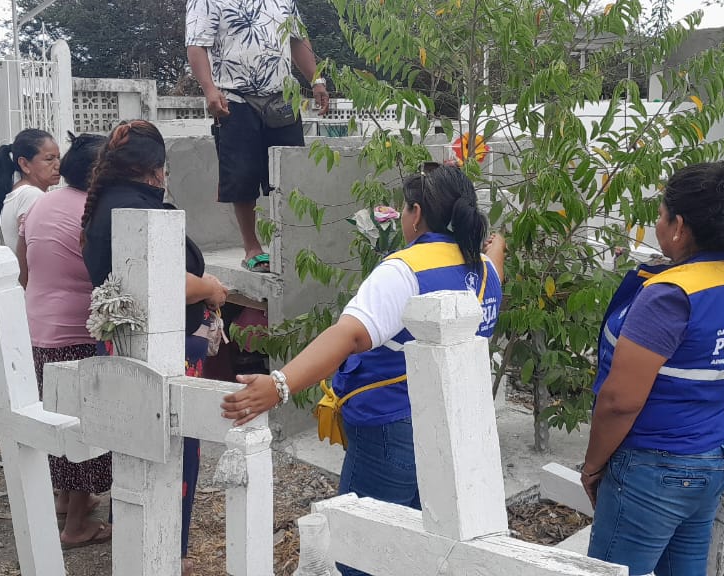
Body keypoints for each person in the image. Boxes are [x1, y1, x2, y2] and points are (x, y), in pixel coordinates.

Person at [220, 163, 505, 576]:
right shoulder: (483, 272)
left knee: (362, 548)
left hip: (391, 430)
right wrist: (498, 248)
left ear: (416, 214)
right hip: (452, 432)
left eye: (403, 208)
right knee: (424, 543)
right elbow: (495, 263)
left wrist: (280, 384)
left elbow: (350, 335)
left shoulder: (405, 271)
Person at [581, 161, 724, 576]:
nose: (657, 224)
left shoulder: (669, 296)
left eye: (661, 215)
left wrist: (592, 466)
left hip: (658, 467)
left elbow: (620, 401)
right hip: (715, 454)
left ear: (678, 227)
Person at [80, 120, 228, 572]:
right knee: (174, 451)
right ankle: (168, 553)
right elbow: (162, 281)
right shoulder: (140, 210)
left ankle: (135, 538)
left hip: (125, 345)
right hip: (162, 350)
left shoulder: (106, 203)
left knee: (133, 446)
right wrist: (209, 288)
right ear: (155, 168)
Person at [185, 0, 331, 273]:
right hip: (233, 98)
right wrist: (209, 90)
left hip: (282, 97)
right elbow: (196, 44)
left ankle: (288, 243)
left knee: (290, 173)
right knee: (241, 175)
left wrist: (317, 80)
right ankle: (252, 247)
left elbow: (297, 39)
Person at [20, 132, 111, 549]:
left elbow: (24, 264)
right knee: (83, 429)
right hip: (76, 331)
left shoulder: (42, 203)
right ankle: (75, 527)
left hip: (39, 326)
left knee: (57, 418)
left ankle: (64, 500)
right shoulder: (92, 211)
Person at [0, 128, 60, 265]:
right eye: (49, 159)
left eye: (58, 158)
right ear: (24, 164)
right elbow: (38, 251)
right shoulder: (31, 195)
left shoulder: (19, 192)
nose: (58, 165)